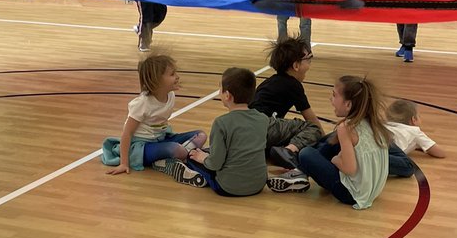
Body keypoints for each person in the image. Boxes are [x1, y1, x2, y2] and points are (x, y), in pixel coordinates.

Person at [270, 75, 388, 209]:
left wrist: (335, 159)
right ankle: (300, 172)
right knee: (331, 139)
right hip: (374, 188)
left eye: (334, 95)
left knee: (306, 154)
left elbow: (350, 169)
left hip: (352, 194)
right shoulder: (372, 121)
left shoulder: (346, 128)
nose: (331, 99)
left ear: (348, 104)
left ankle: (300, 172)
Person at [102, 52, 206, 176]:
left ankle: (179, 156)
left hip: (161, 138)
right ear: (157, 81)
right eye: (172, 74)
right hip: (142, 147)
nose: (177, 77)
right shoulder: (143, 103)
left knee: (201, 135)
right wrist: (124, 163)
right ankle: (184, 156)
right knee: (175, 148)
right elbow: (126, 134)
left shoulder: (171, 95)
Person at [170, 66, 268, 196]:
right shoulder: (263, 119)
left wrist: (203, 157)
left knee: (192, 157)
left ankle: (192, 175)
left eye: (220, 88)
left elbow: (214, 164)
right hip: (258, 184)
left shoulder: (221, 123)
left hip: (228, 187)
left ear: (227, 95)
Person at [251, 37, 323, 169]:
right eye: (308, 59)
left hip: (248, 127)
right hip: (265, 126)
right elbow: (311, 119)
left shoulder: (270, 81)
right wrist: (323, 138)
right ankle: (289, 150)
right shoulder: (294, 85)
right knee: (312, 129)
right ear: (296, 66)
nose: (310, 64)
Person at [385, 98, 446, 176]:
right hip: (385, 153)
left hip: (375, 144)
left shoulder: (384, 125)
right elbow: (440, 153)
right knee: (409, 166)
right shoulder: (414, 131)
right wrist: (426, 148)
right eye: (419, 116)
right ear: (413, 119)